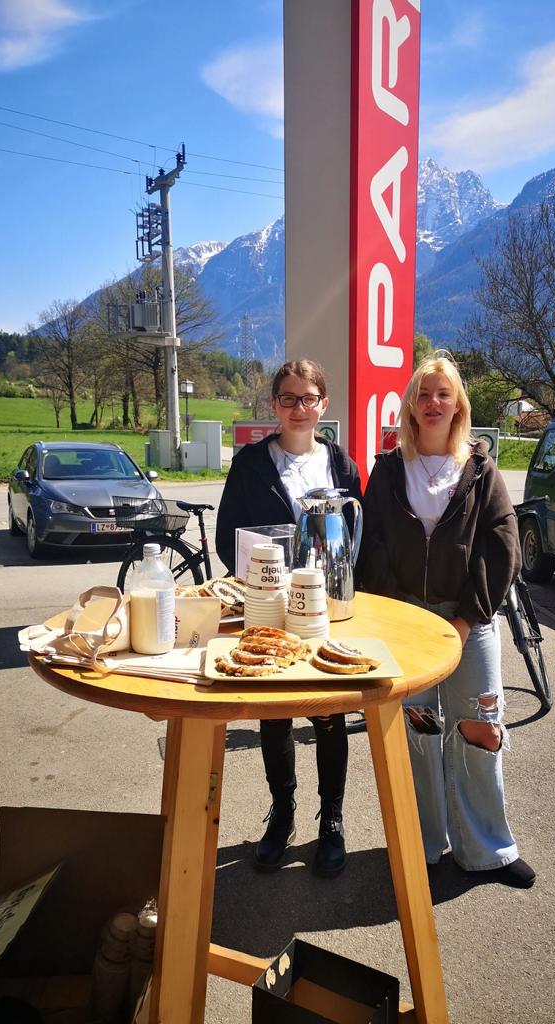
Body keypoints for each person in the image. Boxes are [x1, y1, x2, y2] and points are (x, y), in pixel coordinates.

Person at [357, 352, 535, 888]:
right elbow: (373, 548)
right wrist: (399, 614)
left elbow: (502, 547)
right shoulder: (390, 470)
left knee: (480, 727)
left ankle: (487, 850)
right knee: (419, 730)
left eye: (444, 394)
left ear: (458, 404)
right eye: (424, 394)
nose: (433, 402)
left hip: (469, 622)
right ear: (411, 405)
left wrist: (463, 620)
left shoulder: (480, 468)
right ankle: (424, 846)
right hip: (406, 622)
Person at [216, 359, 362, 877]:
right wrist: (263, 578)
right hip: (271, 607)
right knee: (275, 714)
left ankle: (332, 819)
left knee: (330, 713)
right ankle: (283, 812)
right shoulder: (251, 463)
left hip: (327, 609)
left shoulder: (342, 464)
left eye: (309, 398)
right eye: (288, 398)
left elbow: (358, 535)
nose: (299, 408)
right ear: (274, 405)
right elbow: (227, 538)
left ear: (324, 405)